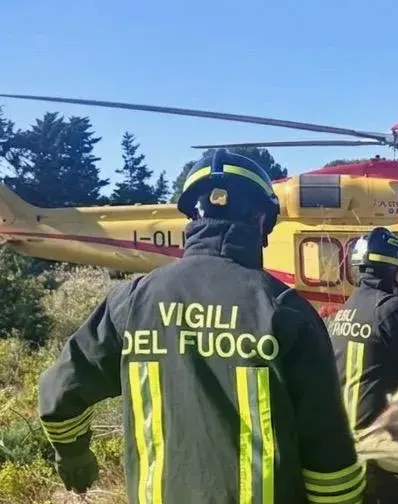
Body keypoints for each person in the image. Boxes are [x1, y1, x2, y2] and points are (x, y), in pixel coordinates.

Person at [36, 149, 365, 504]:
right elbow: (328, 457)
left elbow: (61, 390)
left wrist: (72, 452)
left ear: (192, 217)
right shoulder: (285, 310)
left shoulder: (132, 302)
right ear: (261, 220)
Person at [329, 227, 398, 501]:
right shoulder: (391, 308)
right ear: (395, 271)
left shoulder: (346, 310)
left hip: (342, 441)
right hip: (380, 443)